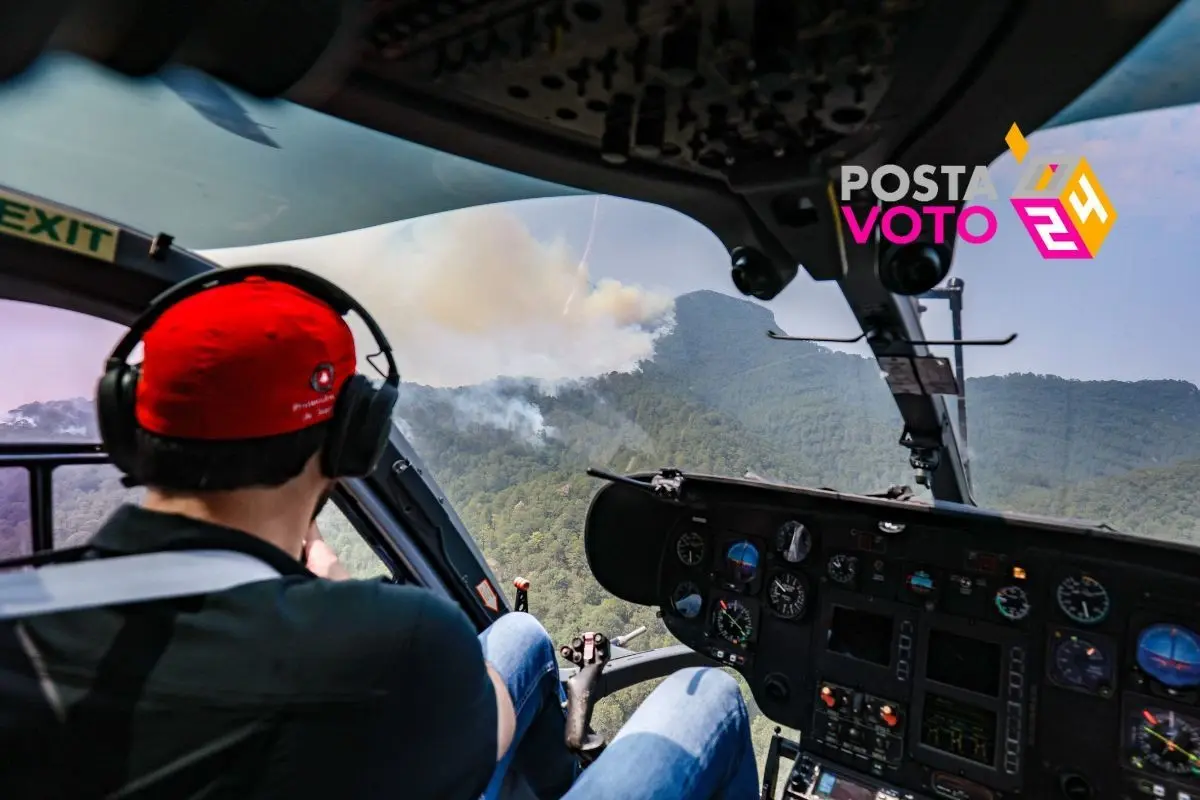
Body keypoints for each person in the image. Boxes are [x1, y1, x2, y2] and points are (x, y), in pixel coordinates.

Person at [12, 274, 759, 799]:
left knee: (523, 635)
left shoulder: (23, 613)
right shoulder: (392, 640)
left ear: (128, 426)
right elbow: (488, 722)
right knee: (709, 695)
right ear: (352, 436)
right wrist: (332, 598)